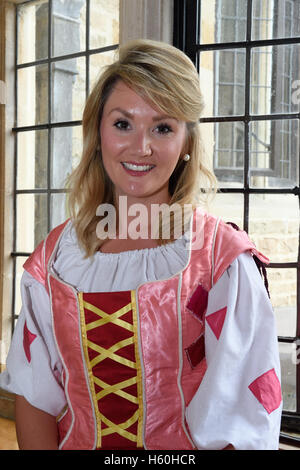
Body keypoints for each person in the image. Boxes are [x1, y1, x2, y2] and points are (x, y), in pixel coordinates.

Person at [0, 39, 282, 450]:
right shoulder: (54, 259)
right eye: (123, 123)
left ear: (186, 142)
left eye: (163, 127)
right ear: (98, 133)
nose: (141, 147)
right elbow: (34, 395)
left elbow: (243, 417)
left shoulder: (221, 261)